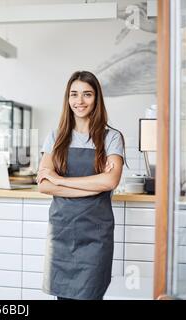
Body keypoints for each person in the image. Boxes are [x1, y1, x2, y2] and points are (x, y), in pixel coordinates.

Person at [36, 70, 126, 300]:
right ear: (67, 99)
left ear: (96, 99)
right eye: (74, 94)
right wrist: (93, 185)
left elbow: (110, 181)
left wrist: (61, 180)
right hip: (63, 230)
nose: (80, 101)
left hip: (96, 234)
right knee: (63, 298)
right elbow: (44, 185)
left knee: (91, 296)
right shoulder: (55, 137)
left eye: (87, 94)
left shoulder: (111, 138)